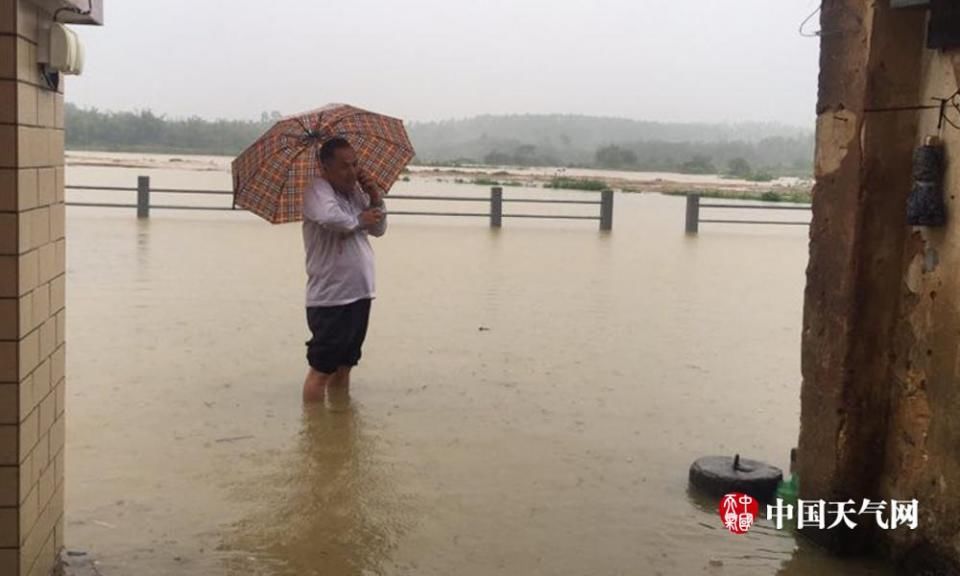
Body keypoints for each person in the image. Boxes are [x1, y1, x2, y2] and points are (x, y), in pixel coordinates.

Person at [301, 136, 386, 404]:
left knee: (346, 363)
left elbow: (379, 229)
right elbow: (330, 218)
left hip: (360, 292)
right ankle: (315, 434)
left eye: (355, 164)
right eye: (344, 166)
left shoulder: (356, 194)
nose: (352, 172)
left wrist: (375, 198)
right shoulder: (317, 189)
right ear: (325, 168)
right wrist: (361, 219)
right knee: (322, 369)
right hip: (330, 297)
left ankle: (339, 421)